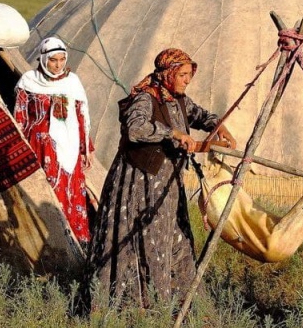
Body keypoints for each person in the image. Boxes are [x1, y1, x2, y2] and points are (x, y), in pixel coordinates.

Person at [87, 47, 236, 309]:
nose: (187, 80)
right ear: (168, 73)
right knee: (142, 234)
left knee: (169, 234)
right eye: (183, 75)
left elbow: (200, 115)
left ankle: (170, 299)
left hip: (167, 180)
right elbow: (135, 128)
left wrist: (219, 127)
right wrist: (174, 134)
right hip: (140, 180)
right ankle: (136, 303)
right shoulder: (146, 98)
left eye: (189, 75)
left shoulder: (178, 98)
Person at [14, 37, 94, 245]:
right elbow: (20, 117)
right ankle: (47, 242)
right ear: (43, 60)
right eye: (53, 60)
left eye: (62, 60)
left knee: (70, 192)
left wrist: (86, 149)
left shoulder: (71, 82)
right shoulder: (29, 82)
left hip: (69, 148)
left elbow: (81, 116)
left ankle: (76, 243)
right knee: (45, 192)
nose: (58, 65)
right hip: (40, 148)